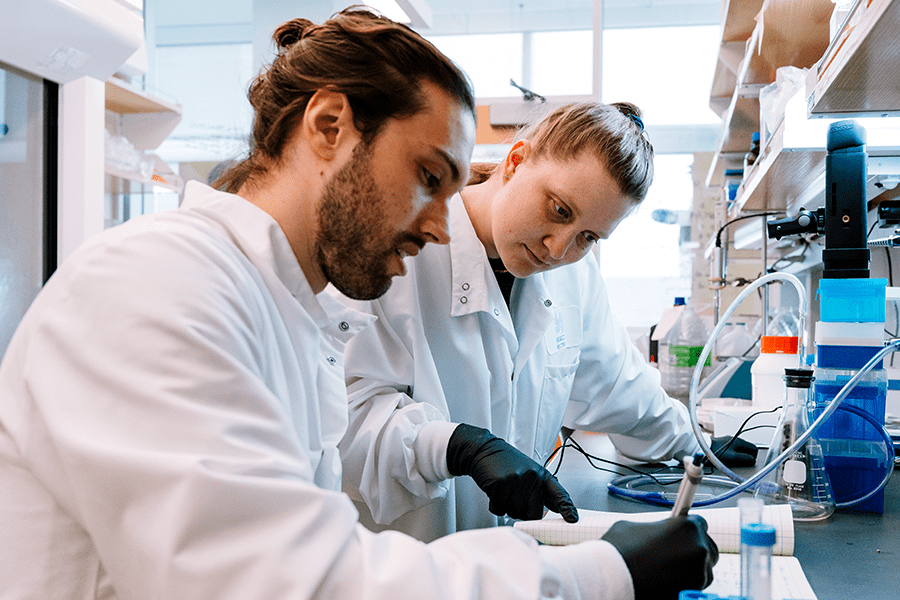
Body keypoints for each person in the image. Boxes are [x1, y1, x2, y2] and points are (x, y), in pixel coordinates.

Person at [0, 8, 716, 600]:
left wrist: (692, 449)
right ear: (329, 126)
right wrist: (601, 574)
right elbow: (285, 581)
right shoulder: (154, 286)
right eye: (428, 177)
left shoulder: (290, 312)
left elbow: (313, 539)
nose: (441, 227)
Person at [333, 100, 756, 542]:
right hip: (397, 557)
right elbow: (342, 426)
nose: (558, 249)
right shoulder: (396, 249)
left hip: (502, 556)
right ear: (516, 161)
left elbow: (619, 387)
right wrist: (453, 446)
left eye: (588, 236)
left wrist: (696, 442)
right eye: (559, 210)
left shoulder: (574, 274)